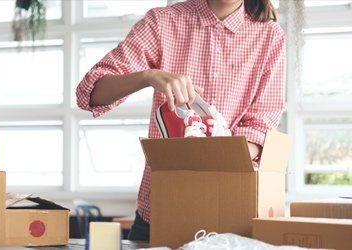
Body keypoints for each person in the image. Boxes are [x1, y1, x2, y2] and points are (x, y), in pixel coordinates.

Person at [76, 0, 285, 242]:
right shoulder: (163, 22)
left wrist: (208, 155)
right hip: (160, 210)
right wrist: (148, 76)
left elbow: (261, 127)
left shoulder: (270, 36)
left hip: (233, 213)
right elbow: (89, 93)